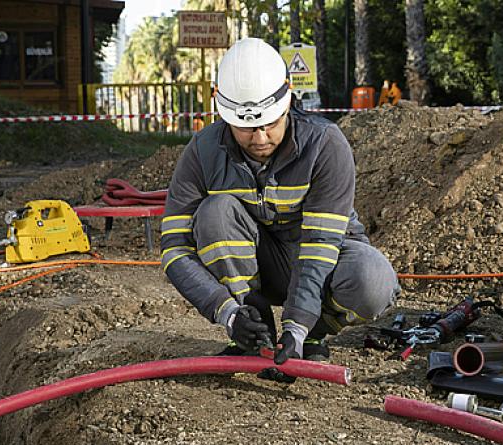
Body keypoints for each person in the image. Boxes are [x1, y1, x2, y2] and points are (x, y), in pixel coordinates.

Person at [159, 38, 400, 367]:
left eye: (270, 123)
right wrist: (228, 313)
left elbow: (320, 244)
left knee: (373, 280)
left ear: (288, 100)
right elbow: (174, 248)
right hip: (260, 266)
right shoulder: (203, 151)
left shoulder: (324, 144)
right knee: (214, 213)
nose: (259, 138)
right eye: (245, 127)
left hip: (324, 261)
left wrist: (298, 327)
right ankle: (253, 327)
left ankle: (316, 330)